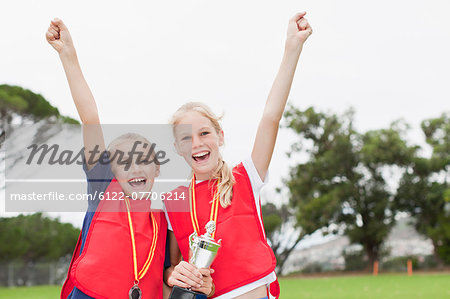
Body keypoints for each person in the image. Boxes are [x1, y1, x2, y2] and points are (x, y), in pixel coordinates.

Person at [163, 12, 312, 299]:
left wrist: (292, 48)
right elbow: (169, 269)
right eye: (186, 138)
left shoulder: (247, 177)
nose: (196, 143)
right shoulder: (174, 202)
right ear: (178, 148)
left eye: (204, 133)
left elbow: (270, 117)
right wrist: (174, 274)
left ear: (220, 137)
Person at [46, 19, 168, 299]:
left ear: (157, 167)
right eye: (123, 162)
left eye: (142, 158)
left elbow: (168, 274)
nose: (134, 166)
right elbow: (90, 117)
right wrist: (68, 55)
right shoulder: (103, 190)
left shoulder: (164, 218)